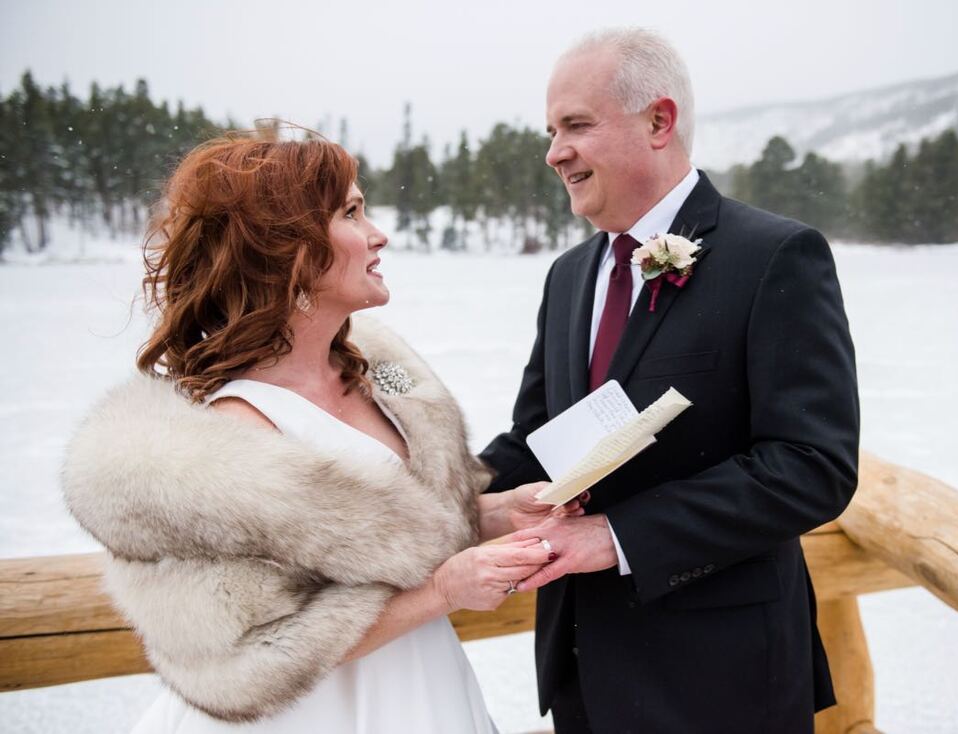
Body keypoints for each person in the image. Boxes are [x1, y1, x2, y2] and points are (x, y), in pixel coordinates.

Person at [61, 133, 574, 733]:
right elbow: (255, 653)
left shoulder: (379, 379)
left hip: (424, 686)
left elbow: (393, 532)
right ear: (286, 248)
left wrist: (500, 511)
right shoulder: (232, 438)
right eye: (351, 214)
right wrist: (442, 591)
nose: (378, 235)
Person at [479, 28, 861, 734]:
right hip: (583, 670)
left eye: (576, 126)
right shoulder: (569, 276)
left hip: (722, 679)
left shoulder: (774, 256)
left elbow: (812, 466)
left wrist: (616, 535)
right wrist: (424, 499)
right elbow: (536, 442)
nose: (554, 152)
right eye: (551, 131)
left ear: (659, 122)